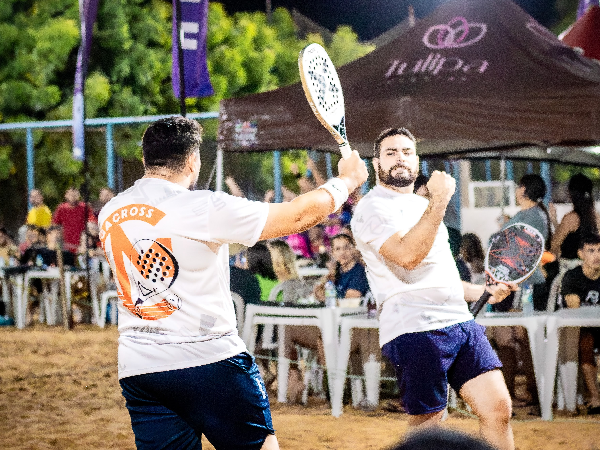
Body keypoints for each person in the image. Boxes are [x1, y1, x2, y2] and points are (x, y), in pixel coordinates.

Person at [97, 116, 367, 450]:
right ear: (194, 161)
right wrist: (346, 181)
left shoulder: (110, 211)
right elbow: (298, 216)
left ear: (145, 160)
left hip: (140, 366)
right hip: (208, 359)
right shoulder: (201, 206)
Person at [350, 127, 515, 450]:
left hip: (460, 322)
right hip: (416, 328)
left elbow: (442, 277)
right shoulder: (372, 208)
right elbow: (407, 257)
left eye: (407, 152)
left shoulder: (422, 206)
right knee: (428, 427)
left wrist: (482, 291)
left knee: (498, 410)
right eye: (391, 153)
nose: (400, 158)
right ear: (376, 163)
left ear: (417, 160)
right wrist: (438, 200)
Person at [314, 233, 381, 410]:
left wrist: (328, 294)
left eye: (346, 247)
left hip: (357, 324)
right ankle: (334, 393)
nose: (342, 252)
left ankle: (335, 395)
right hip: (338, 324)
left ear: (353, 249)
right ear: (332, 253)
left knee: (325, 340)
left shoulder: (359, 271)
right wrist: (328, 279)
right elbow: (318, 293)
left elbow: (351, 300)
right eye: (337, 249)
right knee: (320, 338)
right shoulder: (336, 272)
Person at [559, 233, 600, 414]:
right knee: (585, 343)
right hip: (582, 329)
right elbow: (574, 308)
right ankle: (595, 397)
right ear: (581, 254)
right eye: (591, 251)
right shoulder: (572, 277)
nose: (597, 255)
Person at [53, 187, 95, 254]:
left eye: (75, 194)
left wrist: (88, 236)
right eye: (70, 194)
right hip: (66, 245)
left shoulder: (85, 207)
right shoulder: (61, 208)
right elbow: (55, 225)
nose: (72, 197)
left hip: (82, 246)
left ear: (78, 195)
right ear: (66, 195)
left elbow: (92, 222)